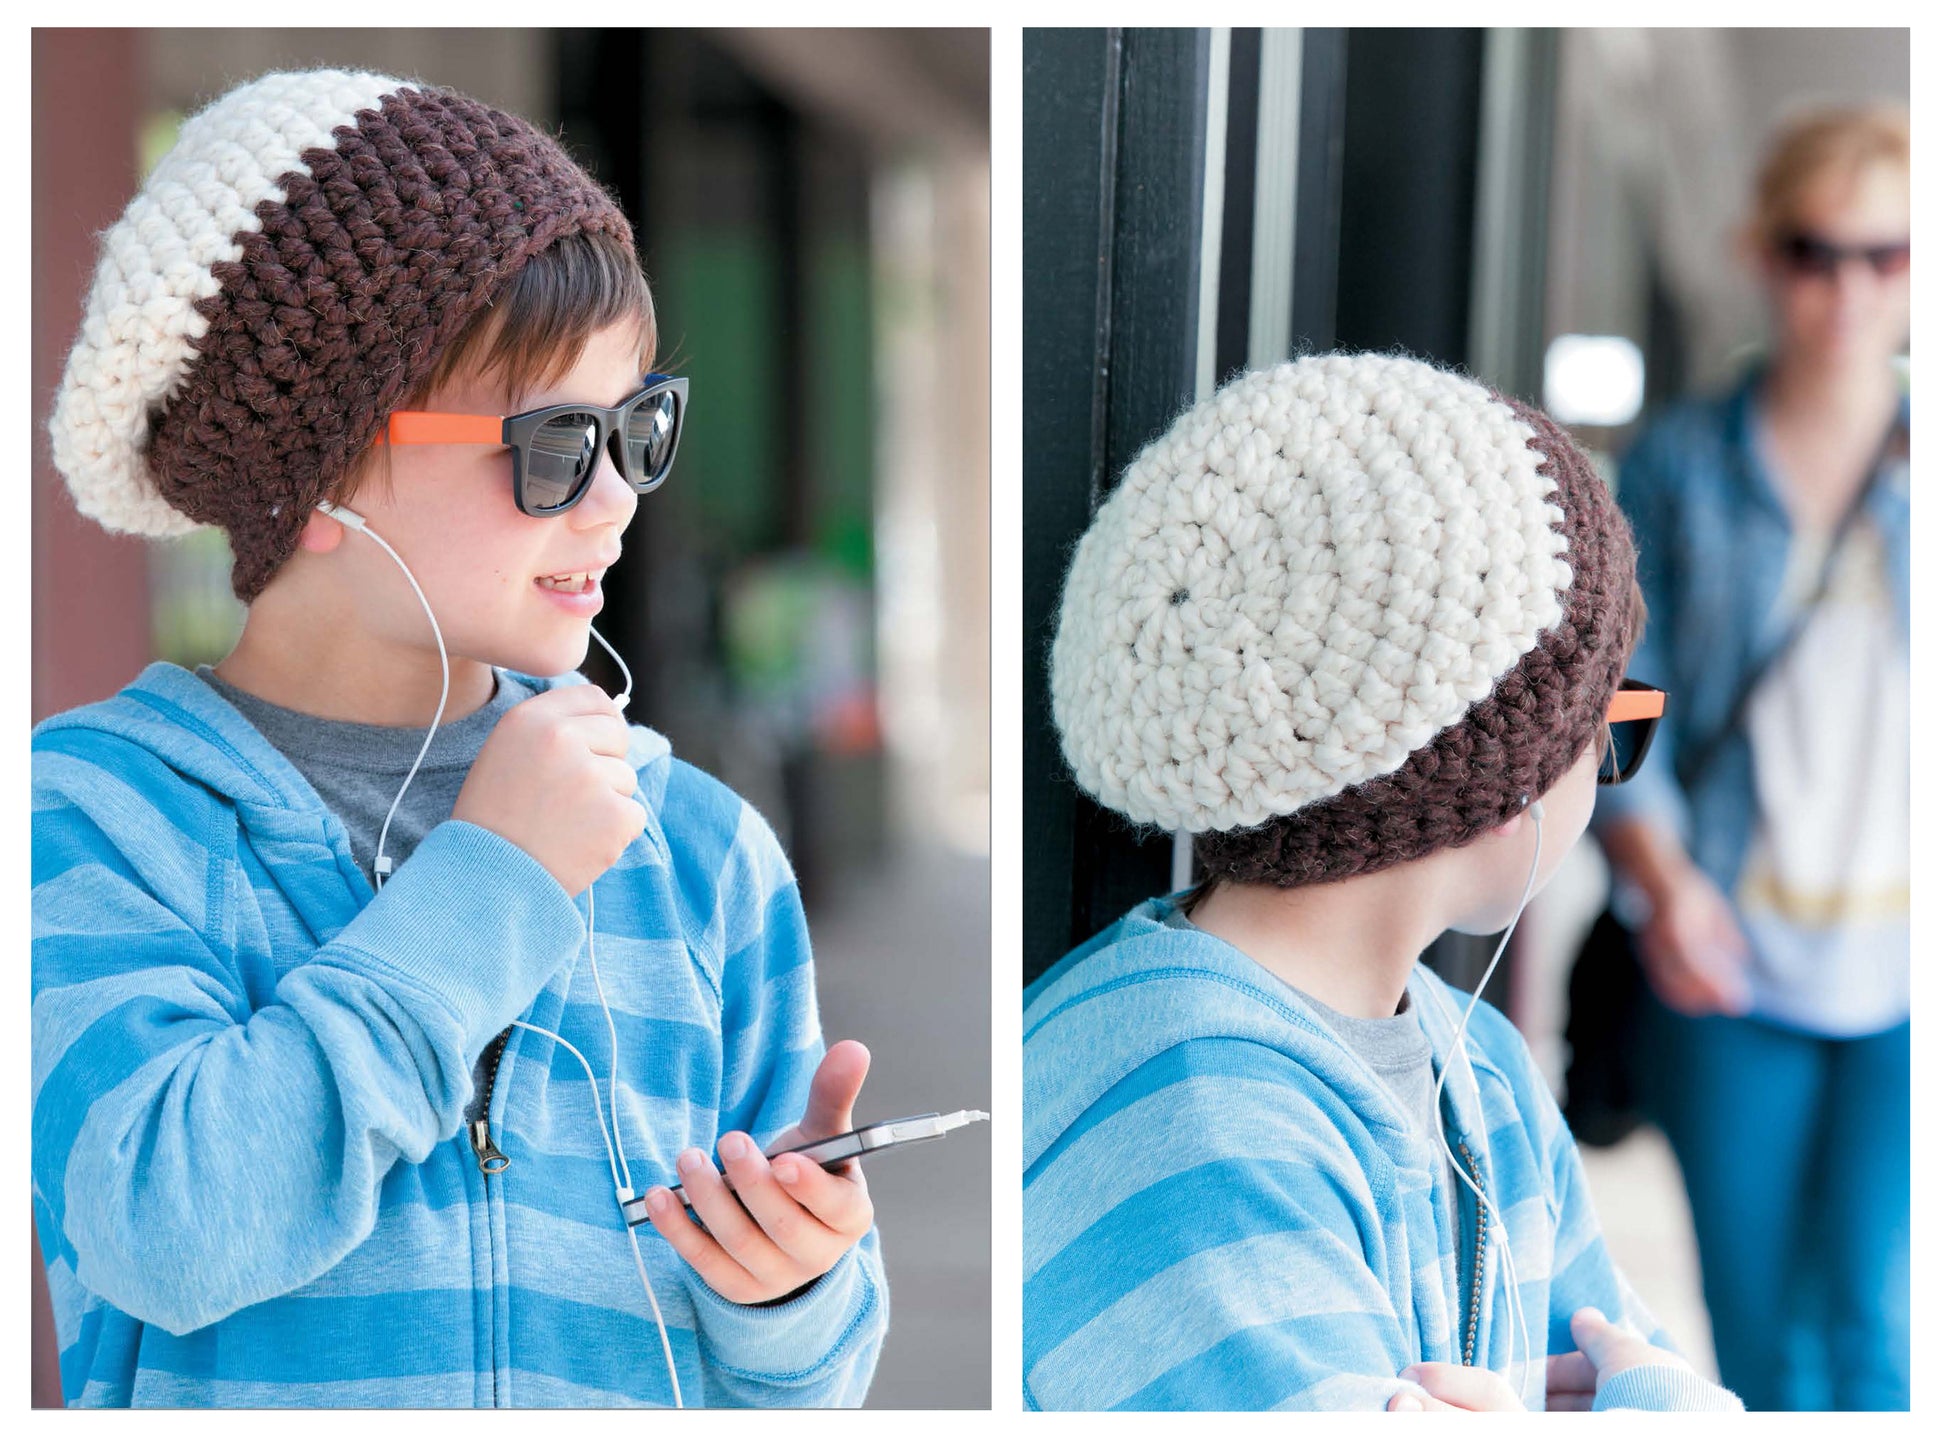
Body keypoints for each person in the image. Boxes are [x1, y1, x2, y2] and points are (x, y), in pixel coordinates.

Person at [33, 69, 886, 1408]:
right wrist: (492, 878)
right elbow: (167, 1229)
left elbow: (802, 1384)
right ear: (317, 470)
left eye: (637, 427)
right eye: (553, 444)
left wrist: (792, 1285)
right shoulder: (94, 819)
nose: (613, 500)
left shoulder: (699, 848)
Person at [1022, 353, 1741, 1412]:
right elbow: (1656, 1387)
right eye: (1611, 726)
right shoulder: (1188, 1123)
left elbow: (1632, 1362)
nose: (1608, 757)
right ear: (1507, 776)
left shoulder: (1480, 1075)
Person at [1594, 103, 1909, 1412]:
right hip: (1728, 954)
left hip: (1905, 971)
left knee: (1875, 1325)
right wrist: (1661, 874)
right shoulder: (1677, 465)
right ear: (1760, 255)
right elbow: (1620, 694)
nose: (1845, 287)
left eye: (1884, 255)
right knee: (1763, 1333)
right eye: (1812, 251)